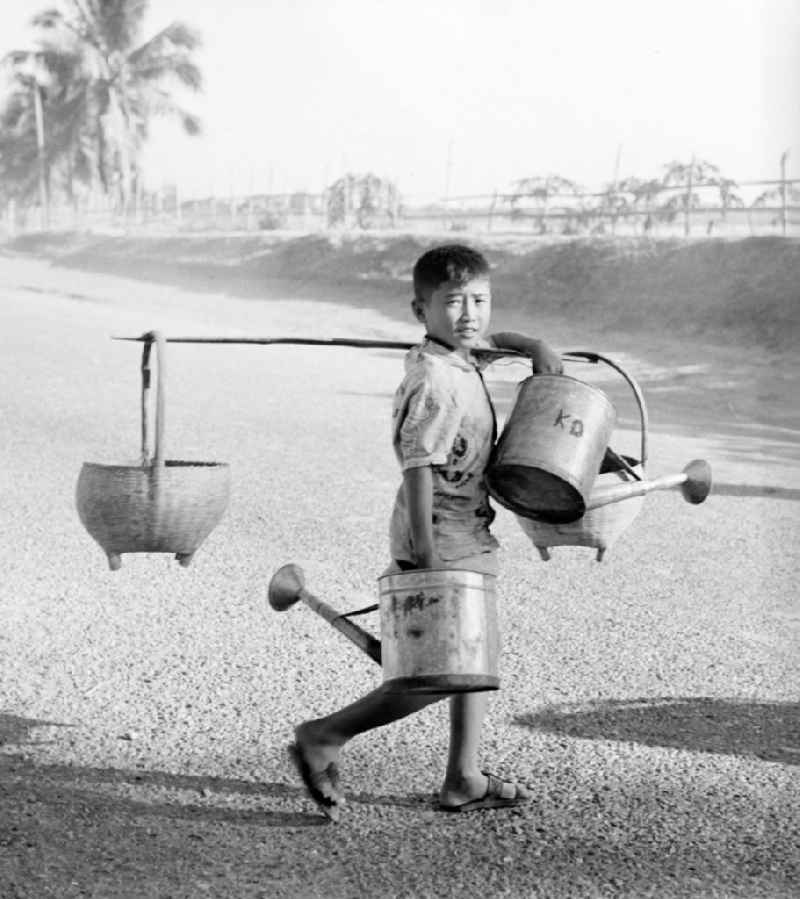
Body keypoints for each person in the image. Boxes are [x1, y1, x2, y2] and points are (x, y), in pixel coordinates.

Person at [289, 243, 563, 820]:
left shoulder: (461, 356)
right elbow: (417, 468)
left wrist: (532, 346)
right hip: (438, 534)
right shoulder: (435, 380)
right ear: (421, 311)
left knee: (475, 653)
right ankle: (325, 735)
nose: (470, 314)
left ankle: (463, 777)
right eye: (453, 302)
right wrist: (428, 553)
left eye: (480, 301)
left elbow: (489, 340)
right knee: (444, 669)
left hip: (470, 531)